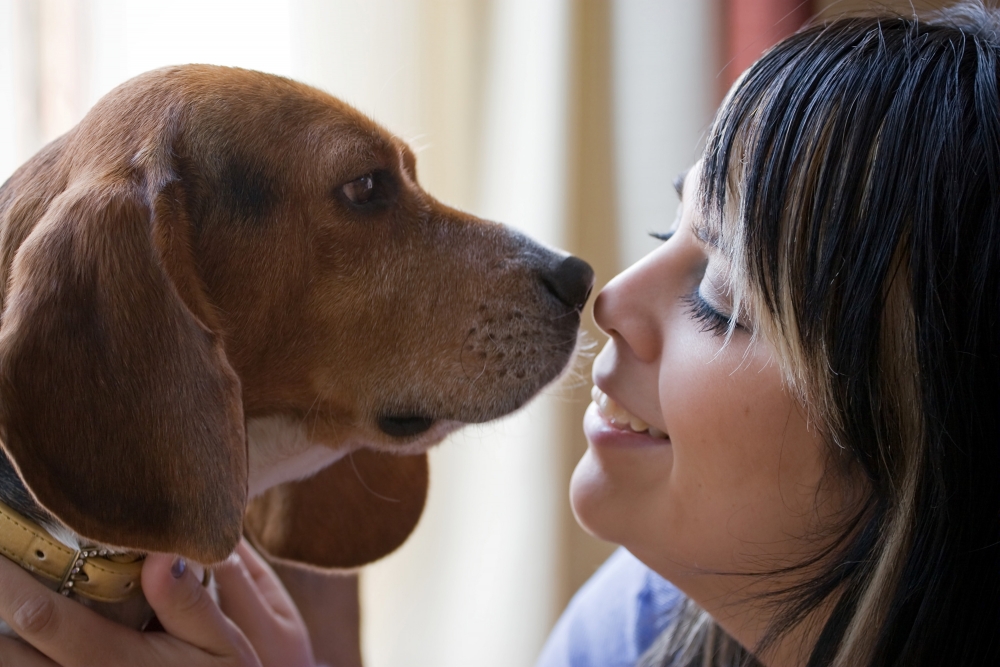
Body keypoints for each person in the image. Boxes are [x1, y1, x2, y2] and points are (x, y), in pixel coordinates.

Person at [1, 3, 999, 665]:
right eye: (668, 228)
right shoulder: (637, 624)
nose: (603, 292)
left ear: (923, 419)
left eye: (725, 292)